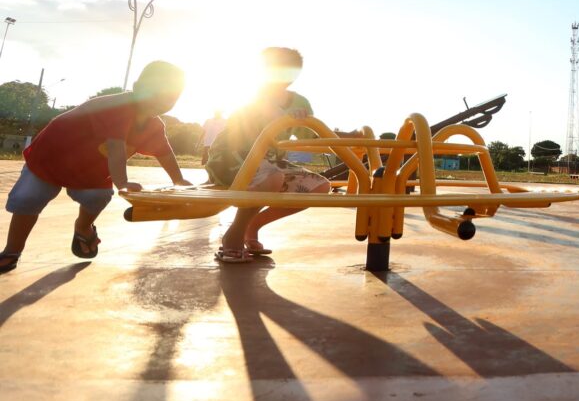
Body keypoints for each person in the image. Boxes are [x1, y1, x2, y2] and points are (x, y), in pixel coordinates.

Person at [0, 61, 189, 273]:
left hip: (90, 170)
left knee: (97, 196)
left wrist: (178, 179)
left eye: (170, 97)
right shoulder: (119, 106)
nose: (161, 100)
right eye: (154, 92)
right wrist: (122, 182)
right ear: (136, 88)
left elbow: (164, 152)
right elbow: (116, 147)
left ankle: (83, 228)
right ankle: (12, 251)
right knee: (29, 198)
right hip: (51, 159)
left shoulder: (154, 126)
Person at [208, 47, 346, 263]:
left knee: (319, 186)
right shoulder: (253, 95)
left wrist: (345, 136)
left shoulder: (300, 102)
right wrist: (283, 115)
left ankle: (253, 225)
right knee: (272, 177)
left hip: (271, 161)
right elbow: (247, 121)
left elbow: (312, 137)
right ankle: (234, 235)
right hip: (231, 157)